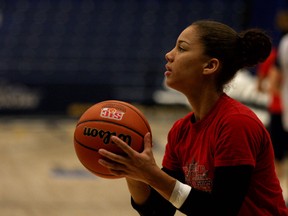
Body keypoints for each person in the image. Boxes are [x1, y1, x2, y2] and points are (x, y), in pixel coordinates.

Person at [98, 20, 288, 215]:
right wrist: (133, 170)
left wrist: (150, 174)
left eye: (181, 48)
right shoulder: (181, 131)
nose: (169, 55)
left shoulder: (236, 123)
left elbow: (221, 210)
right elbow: (158, 210)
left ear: (210, 65)